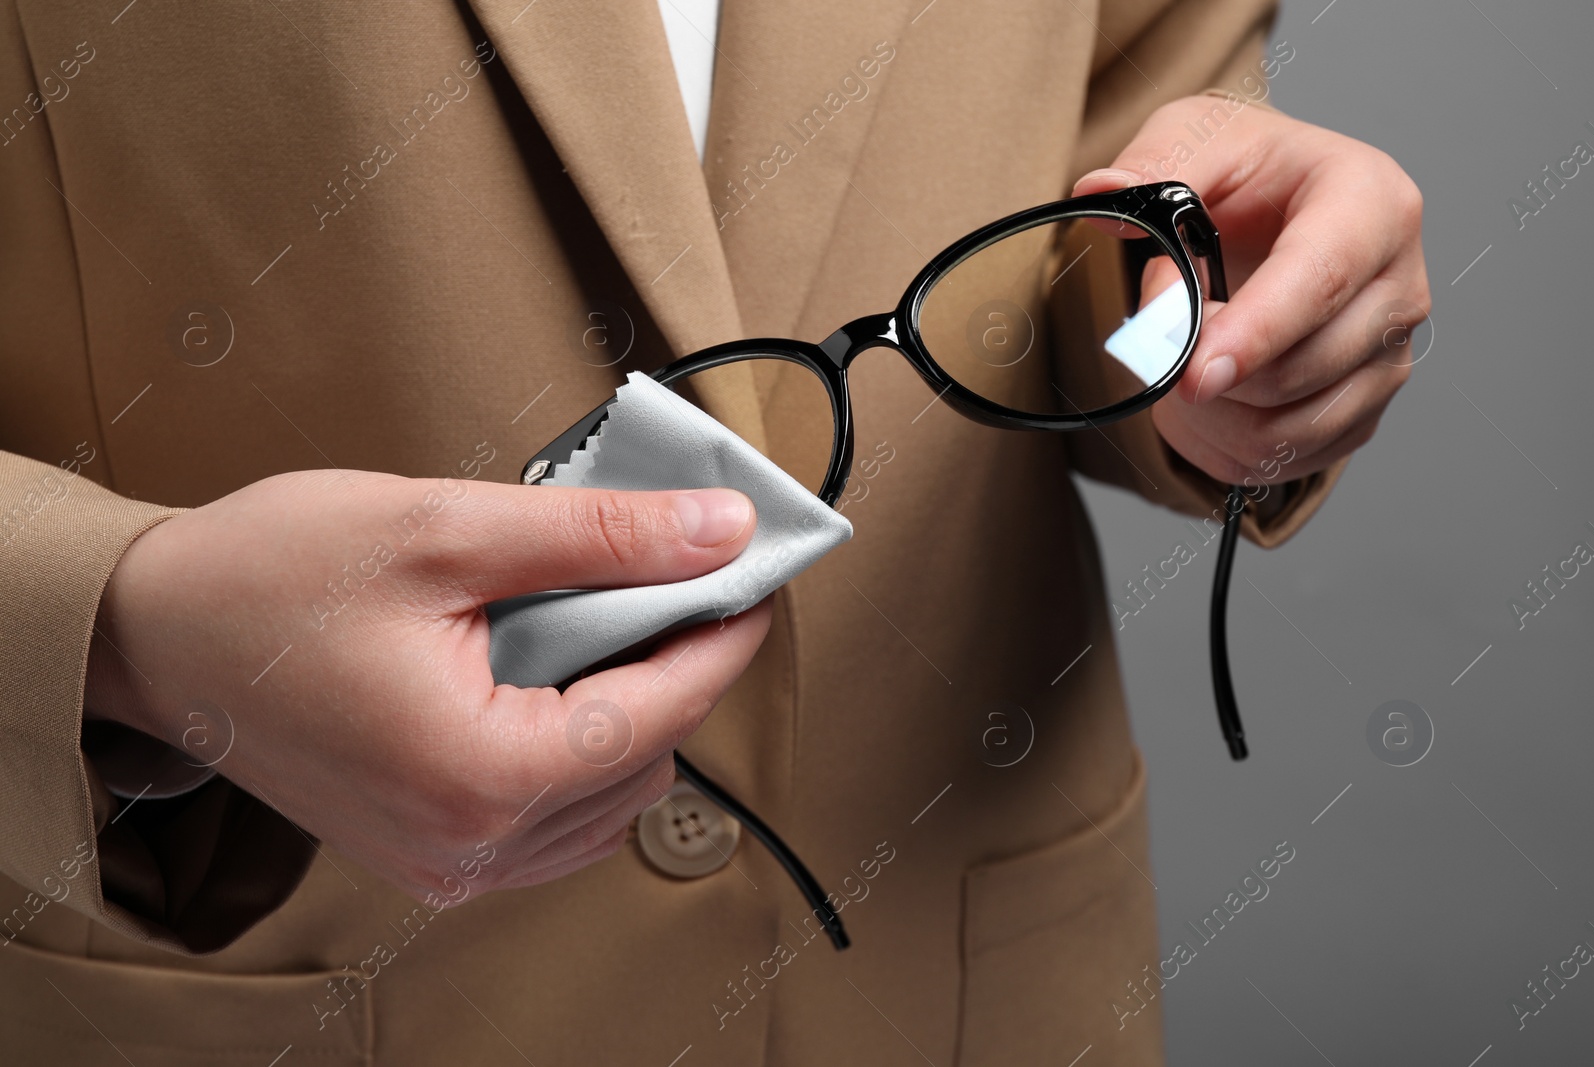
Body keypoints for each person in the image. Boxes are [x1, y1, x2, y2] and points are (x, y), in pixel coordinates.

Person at [0, 0, 1426, 1062]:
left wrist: (1222, 319)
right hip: (270, 978)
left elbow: (1117, 138)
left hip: (958, 966)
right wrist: (125, 622)